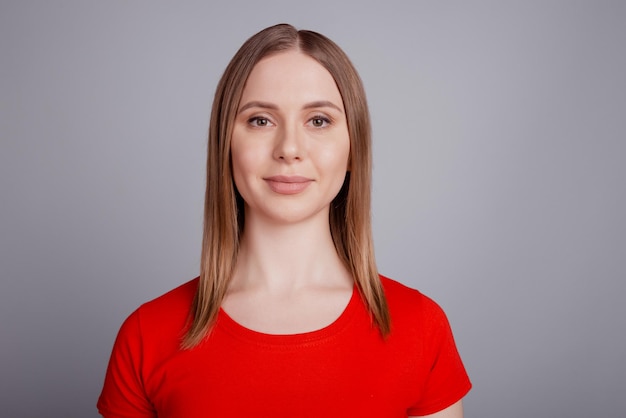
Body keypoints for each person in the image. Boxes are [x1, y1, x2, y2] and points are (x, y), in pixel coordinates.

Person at [97, 23, 471, 418]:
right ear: (225, 146)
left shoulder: (420, 328)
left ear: (353, 150)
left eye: (319, 121)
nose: (289, 148)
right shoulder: (147, 335)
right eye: (260, 120)